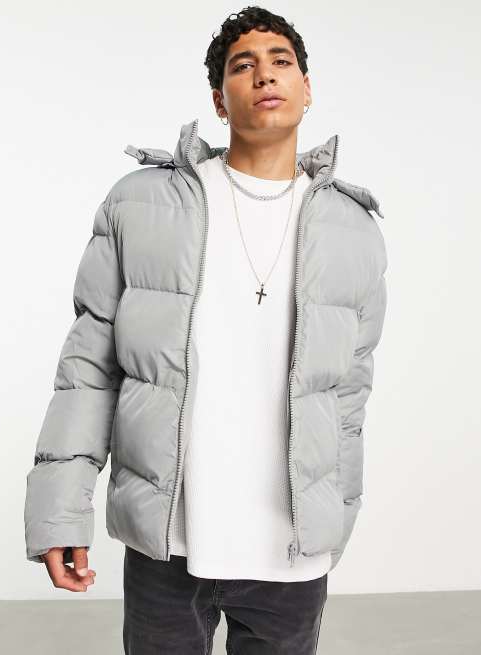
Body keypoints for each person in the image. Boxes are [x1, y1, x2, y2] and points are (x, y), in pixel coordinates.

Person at [24, 6, 388, 654]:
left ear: (307, 87)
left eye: (280, 62)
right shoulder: (142, 203)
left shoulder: (353, 229)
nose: (264, 75)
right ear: (219, 101)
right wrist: (60, 511)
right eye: (242, 66)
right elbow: (88, 371)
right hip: (169, 546)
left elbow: (348, 399)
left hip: (291, 553)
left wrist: (337, 518)